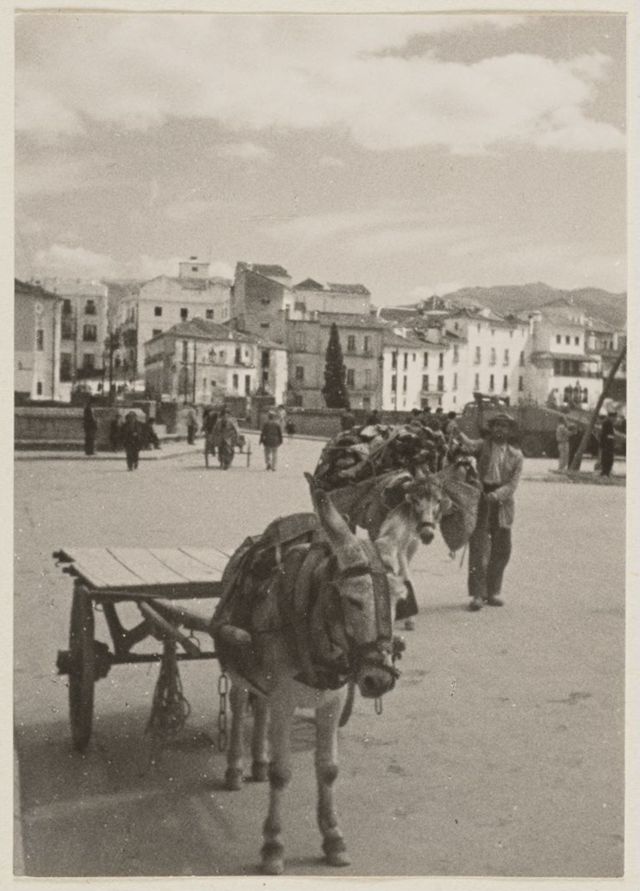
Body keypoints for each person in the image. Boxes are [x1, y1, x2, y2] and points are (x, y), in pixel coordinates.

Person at [453, 413, 523, 611]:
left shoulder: (516, 455)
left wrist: (496, 495)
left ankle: (492, 592)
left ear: (510, 431)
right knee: (479, 547)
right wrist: (457, 432)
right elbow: (467, 445)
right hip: (481, 499)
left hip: (502, 503)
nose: (500, 429)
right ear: (491, 428)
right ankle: (477, 594)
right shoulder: (482, 446)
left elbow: (512, 485)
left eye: (504, 426)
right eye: (497, 425)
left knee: (502, 549)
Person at [599, 409, 617, 478]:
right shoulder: (607, 423)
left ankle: (605, 472)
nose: (615, 419)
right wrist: (613, 437)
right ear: (611, 417)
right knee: (607, 458)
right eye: (614, 417)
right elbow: (606, 434)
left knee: (607, 458)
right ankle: (605, 473)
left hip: (607, 443)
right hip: (607, 444)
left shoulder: (608, 423)